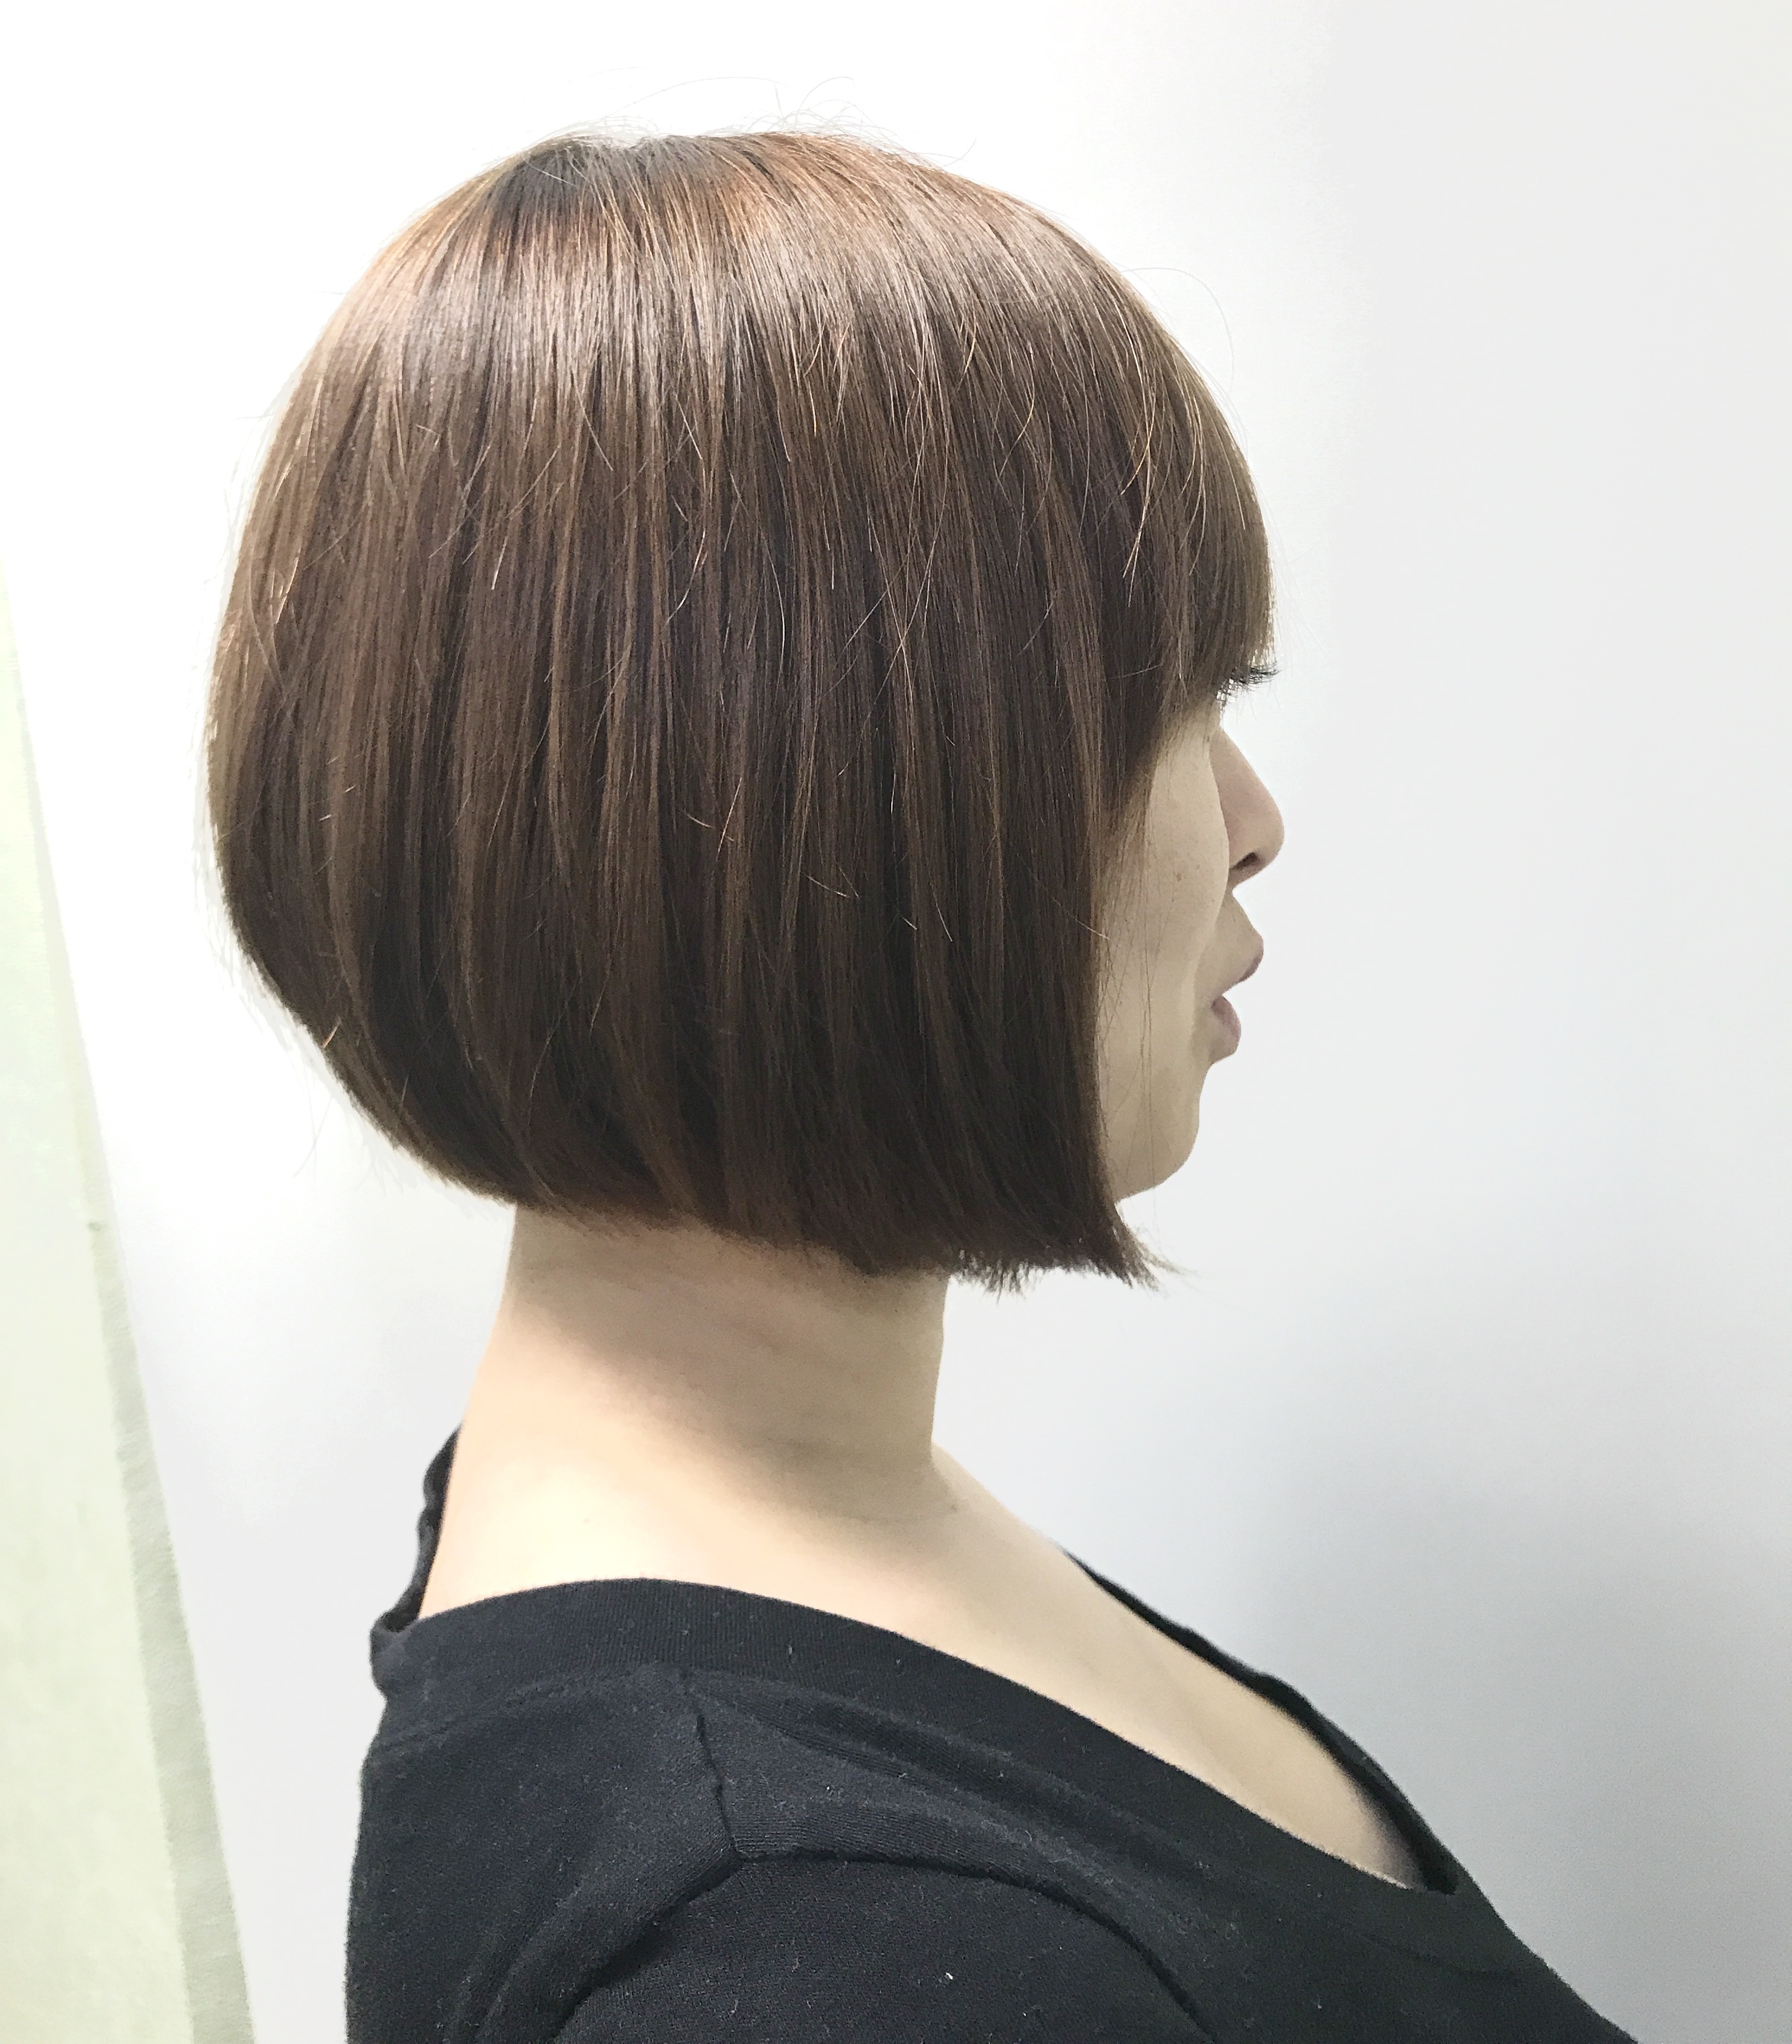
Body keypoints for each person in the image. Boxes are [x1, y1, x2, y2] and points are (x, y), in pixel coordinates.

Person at [207, 129, 1635, 2041]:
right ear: (825, 784)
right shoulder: (810, 1943)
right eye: (1171, 705)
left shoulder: (784, 1565)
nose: (1253, 821)